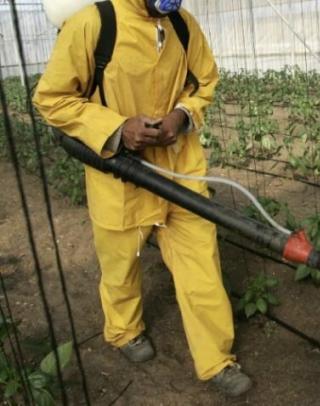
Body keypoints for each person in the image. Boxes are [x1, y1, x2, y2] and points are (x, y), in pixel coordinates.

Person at [33, 0, 252, 397]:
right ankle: (124, 332)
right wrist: (118, 127)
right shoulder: (93, 24)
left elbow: (205, 81)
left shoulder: (183, 26)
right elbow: (52, 98)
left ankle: (217, 360)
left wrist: (181, 117)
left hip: (181, 171)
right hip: (121, 177)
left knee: (201, 263)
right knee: (120, 265)